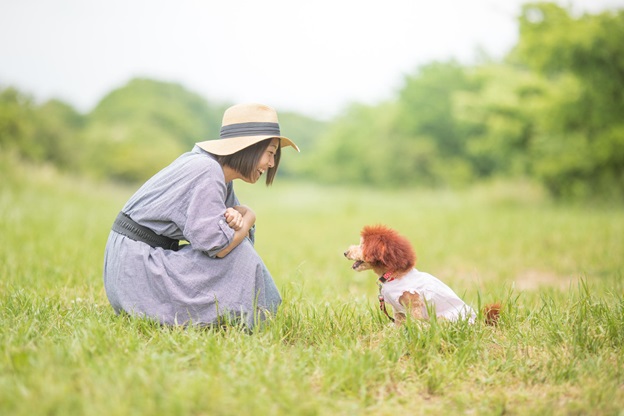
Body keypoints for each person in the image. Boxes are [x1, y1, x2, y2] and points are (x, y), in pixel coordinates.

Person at [103, 103, 299, 329]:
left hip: (131, 265)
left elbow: (231, 233)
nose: (272, 163)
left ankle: (257, 315)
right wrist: (249, 217)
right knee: (240, 255)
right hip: (136, 270)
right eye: (270, 153)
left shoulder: (218, 174)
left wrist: (239, 219)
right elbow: (220, 246)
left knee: (239, 251)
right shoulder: (207, 170)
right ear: (250, 148)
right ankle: (260, 317)